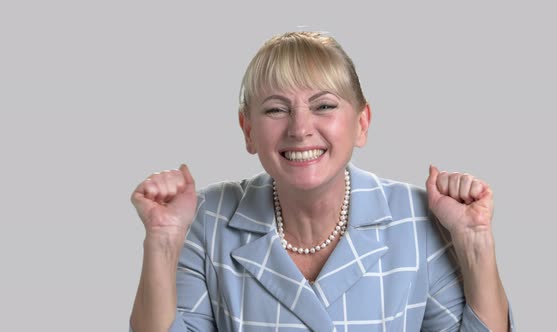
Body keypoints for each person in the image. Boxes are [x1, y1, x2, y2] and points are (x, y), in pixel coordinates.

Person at [129, 32, 514, 332]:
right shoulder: (207, 218)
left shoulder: (418, 219)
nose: (300, 129)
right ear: (248, 131)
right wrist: (162, 239)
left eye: (324, 106)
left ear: (361, 123)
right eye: (276, 109)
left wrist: (475, 239)